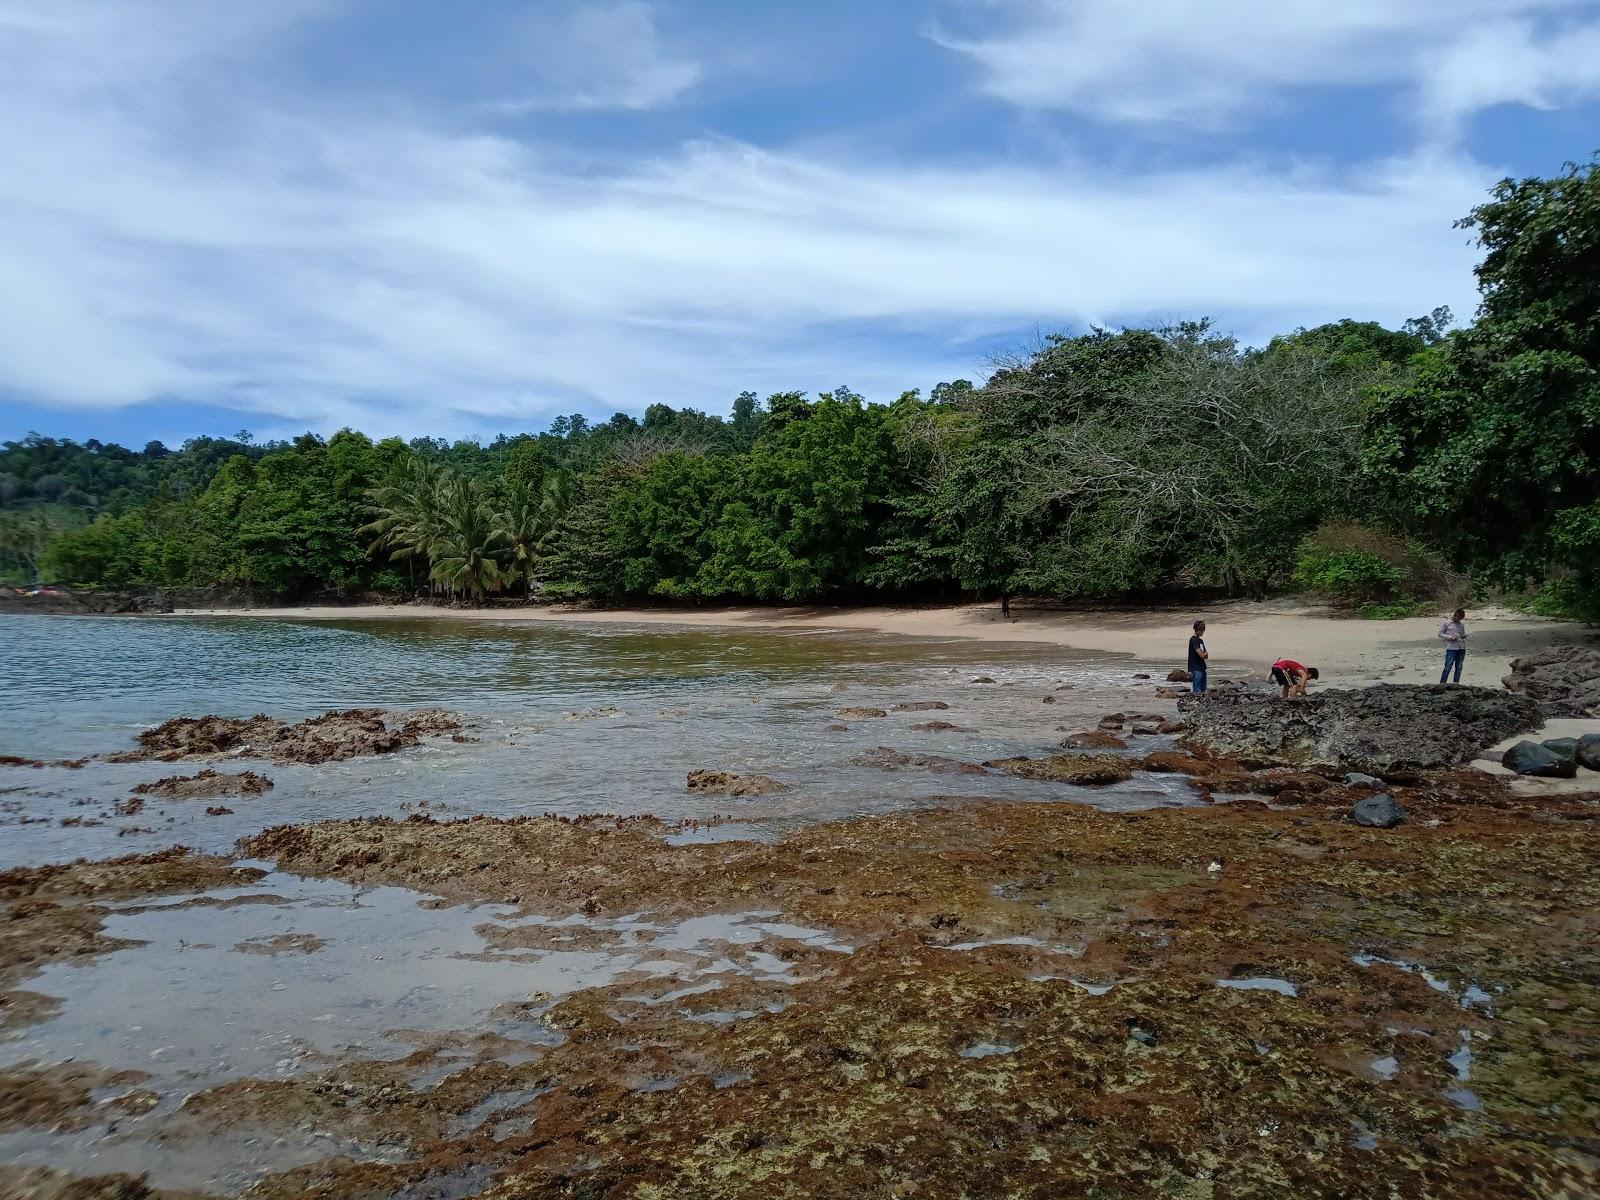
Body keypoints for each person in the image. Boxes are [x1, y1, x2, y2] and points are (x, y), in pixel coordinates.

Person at [1438, 608, 1468, 684]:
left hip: (1461, 647)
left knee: (1459, 667)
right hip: (1451, 647)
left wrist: (1463, 636)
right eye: (1458, 618)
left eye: (1461, 619)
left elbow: (1461, 635)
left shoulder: (1461, 625)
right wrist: (1450, 637)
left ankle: (1456, 683)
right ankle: (1442, 683)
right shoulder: (1447, 623)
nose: (1459, 620)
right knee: (1448, 666)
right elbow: (1440, 633)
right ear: (1455, 616)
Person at [1187, 620, 1209, 693]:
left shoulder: (1200, 641)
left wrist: (1204, 654)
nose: (1203, 632)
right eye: (1202, 630)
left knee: (1203, 690)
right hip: (1196, 668)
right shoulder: (1194, 640)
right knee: (1197, 691)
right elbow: (1202, 654)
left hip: (1202, 667)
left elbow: (1206, 655)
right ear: (1198, 630)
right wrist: (1203, 654)